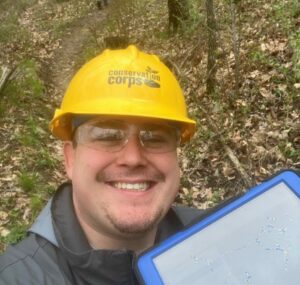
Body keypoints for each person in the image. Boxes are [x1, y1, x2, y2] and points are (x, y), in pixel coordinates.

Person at [0, 45, 204, 284]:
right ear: (70, 159)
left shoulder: (217, 238)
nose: (133, 158)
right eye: (108, 135)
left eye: (155, 137)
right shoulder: (17, 278)